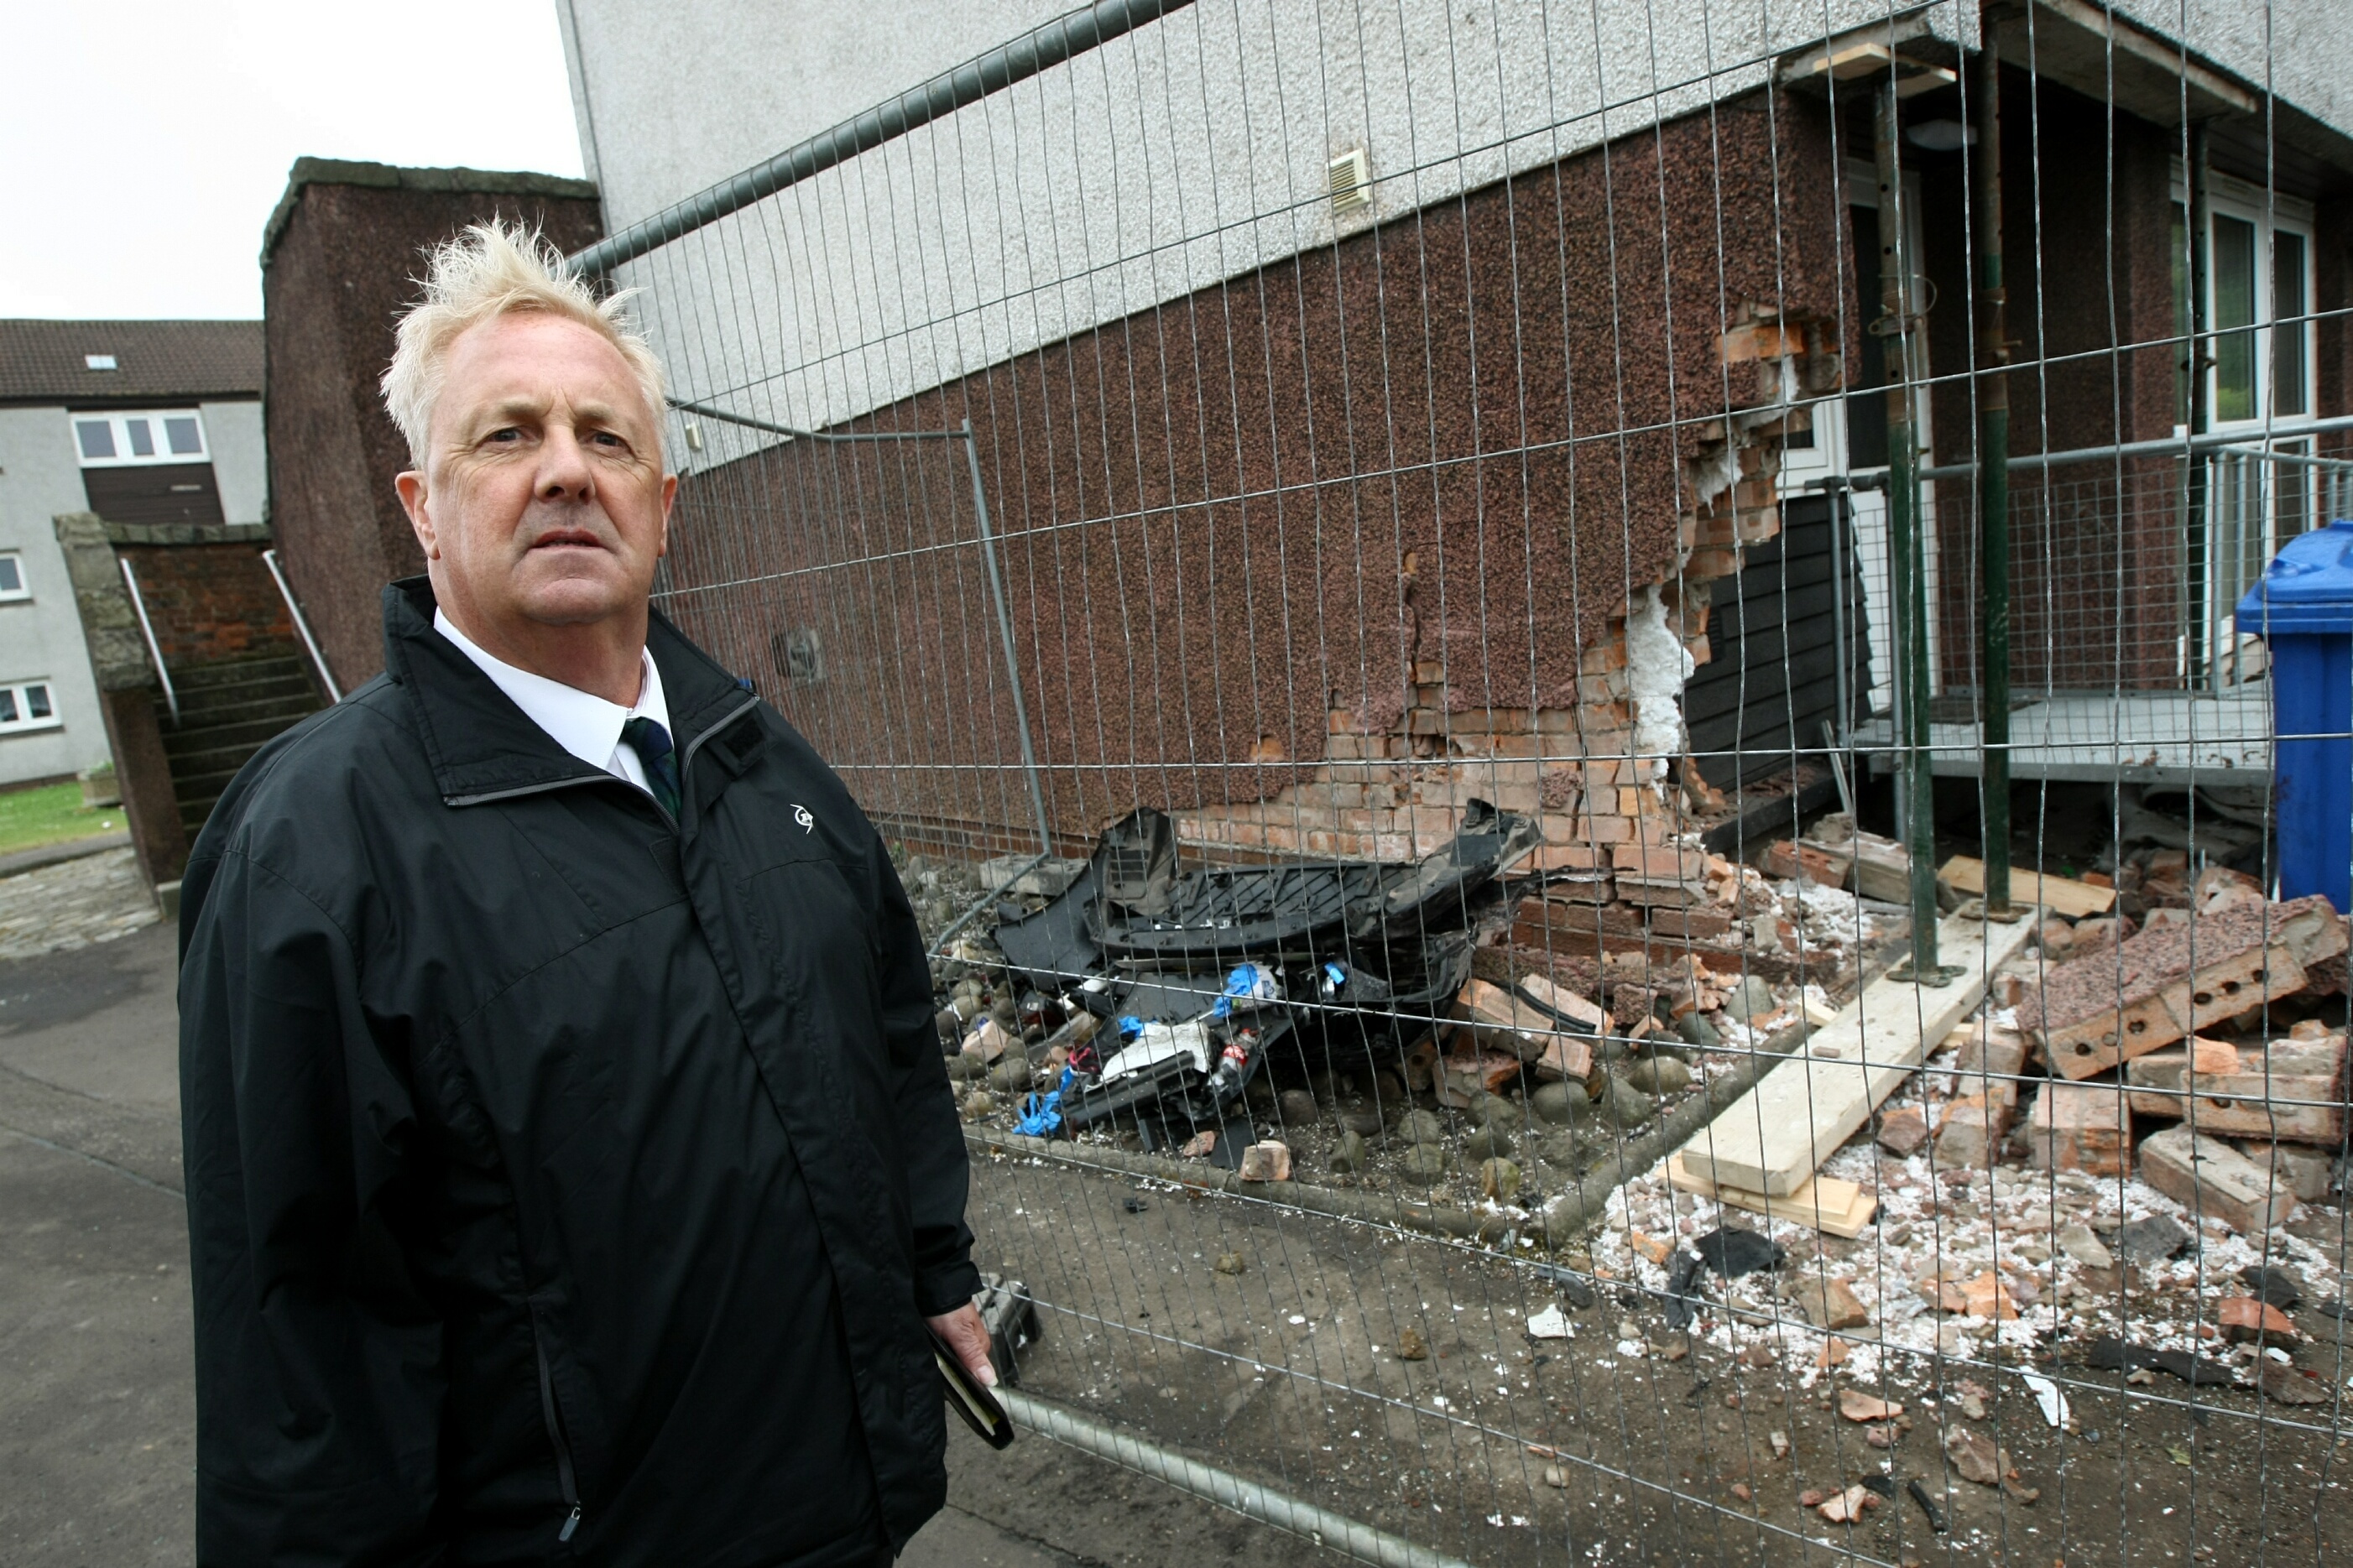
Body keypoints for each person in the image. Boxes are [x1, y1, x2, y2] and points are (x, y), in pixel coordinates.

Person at [179, 221, 991, 1567]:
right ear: (420, 504)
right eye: (507, 436)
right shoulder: (314, 854)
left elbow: (888, 1031)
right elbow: (301, 1358)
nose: (566, 468)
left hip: (847, 1511)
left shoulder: (755, 752)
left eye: (606, 439)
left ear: (663, 504)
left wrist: (932, 1265)